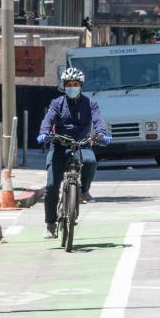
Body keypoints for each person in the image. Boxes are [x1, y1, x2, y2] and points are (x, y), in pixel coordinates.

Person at [36, 67, 111, 239]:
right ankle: (50, 223)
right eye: (69, 84)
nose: (72, 87)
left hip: (81, 144)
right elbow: (48, 119)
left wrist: (102, 135)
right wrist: (44, 132)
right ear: (63, 86)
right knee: (51, 186)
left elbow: (98, 120)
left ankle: (83, 190)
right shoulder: (57, 104)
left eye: (75, 84)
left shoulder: (90, 103)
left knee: (90, 162)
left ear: (81, 85)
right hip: (59, 145)